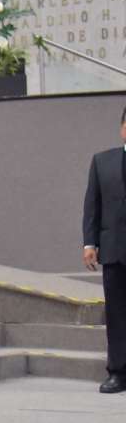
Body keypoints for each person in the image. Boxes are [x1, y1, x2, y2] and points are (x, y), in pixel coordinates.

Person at [81, 107, 126, 394]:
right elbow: (92, 206)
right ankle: (118, 372)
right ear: (122, 127)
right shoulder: (102, 161)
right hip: (114, 250)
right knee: (117, 314)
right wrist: (89, 243)